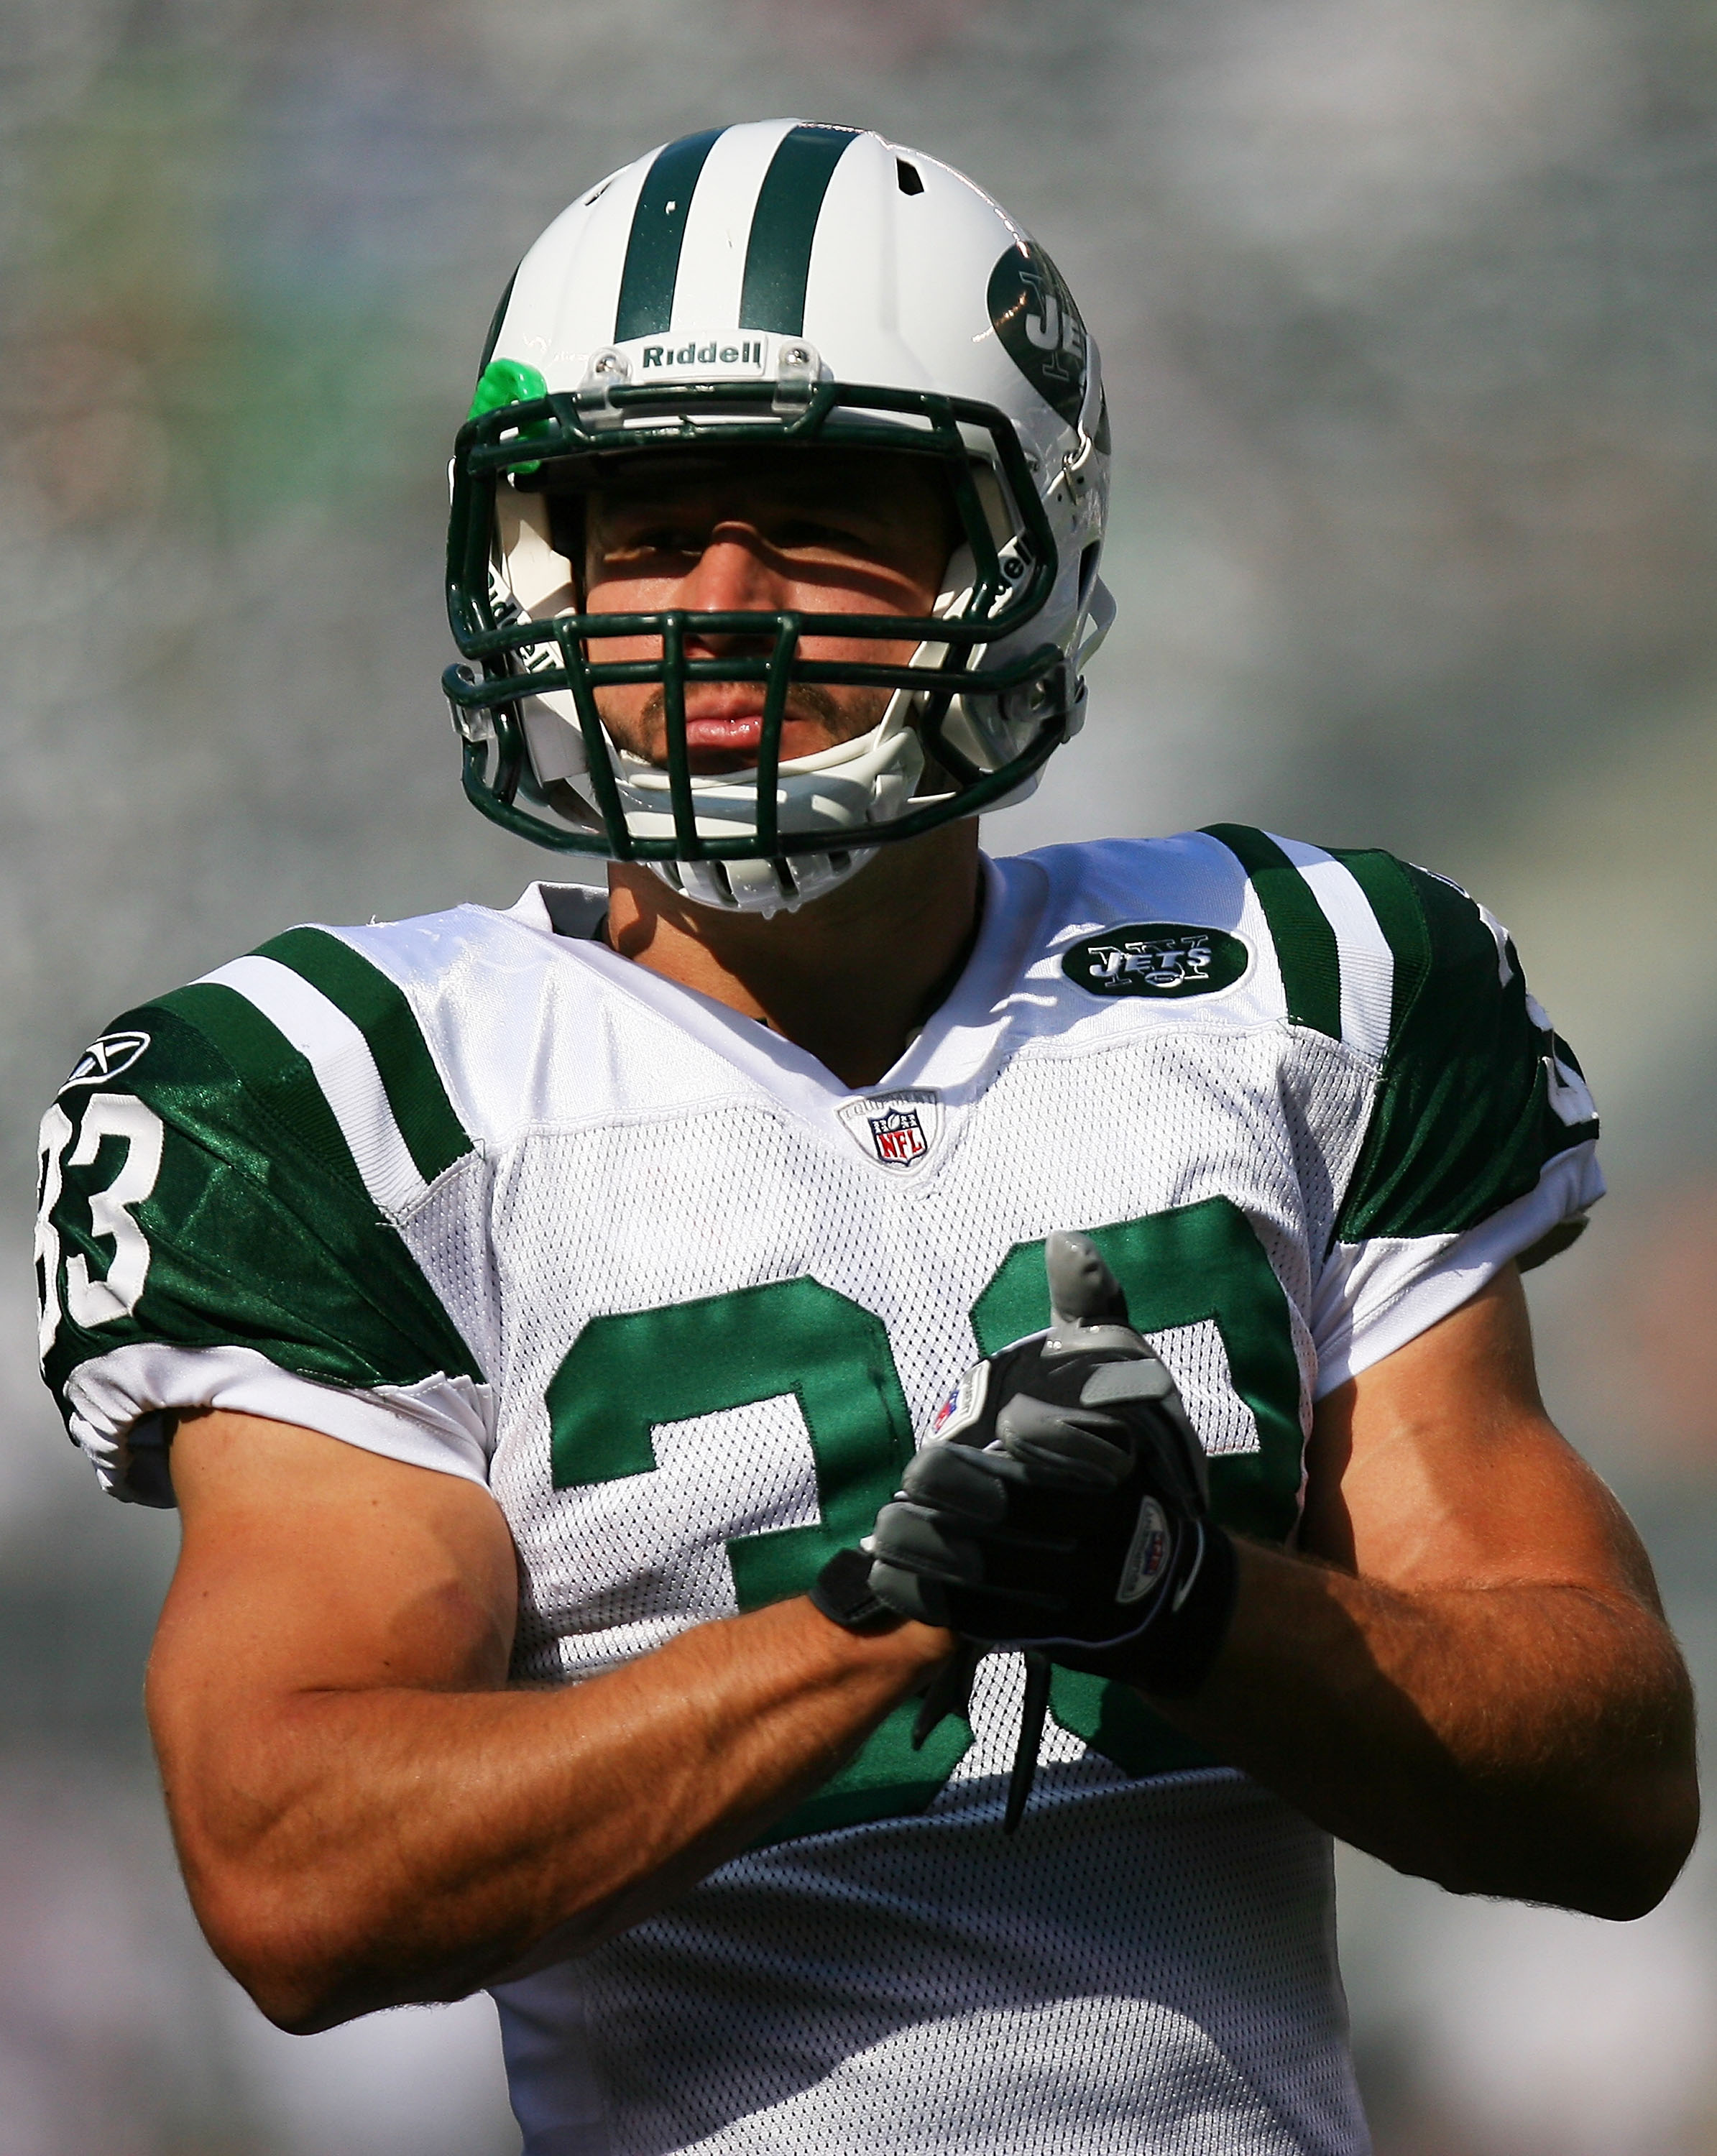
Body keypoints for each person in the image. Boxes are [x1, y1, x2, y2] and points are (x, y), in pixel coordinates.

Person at [34, 119, 1697, 2156]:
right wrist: (886, 1617)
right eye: (644, 528)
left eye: (820, 514)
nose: (719, 609)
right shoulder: (340, 1089)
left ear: (1022, 548)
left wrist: (1191, 1600)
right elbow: (300, 1879)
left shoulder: (1307, 986)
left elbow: (1610, 1784)